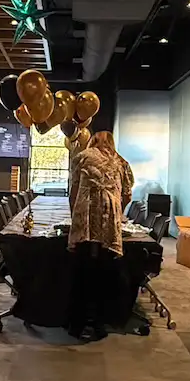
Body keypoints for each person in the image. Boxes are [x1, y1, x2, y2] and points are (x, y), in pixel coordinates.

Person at [67, 131, 126, 340]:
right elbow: (127, 191)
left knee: (81, 271)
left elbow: (73, 189)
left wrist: (74, 214)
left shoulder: (82, 156)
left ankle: (76, 324)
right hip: (109, 223)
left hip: (85, 220)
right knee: (104, 272)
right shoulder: (120, 161)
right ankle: (100, 323)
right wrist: (118, 211)